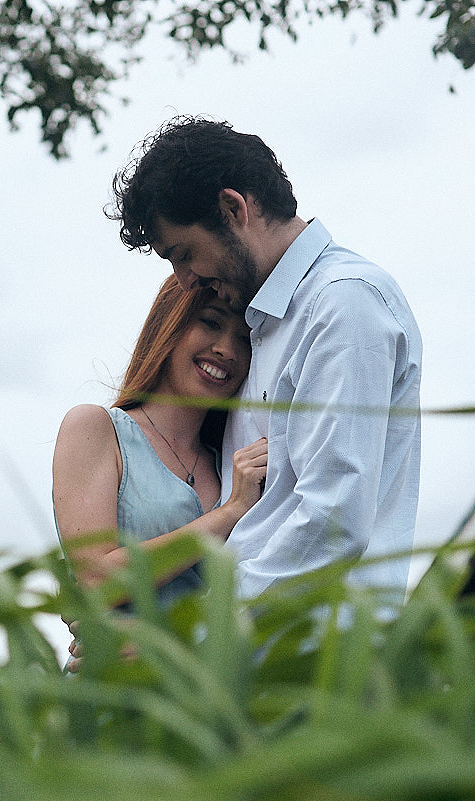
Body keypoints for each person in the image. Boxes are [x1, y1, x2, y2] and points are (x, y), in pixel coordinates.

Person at [107, 115, 422, 604]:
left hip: (313, 642)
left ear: (233, 209)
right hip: (251, 639)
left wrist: (201, 635)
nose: (184, 280)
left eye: (183, 253)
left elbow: (331, 524)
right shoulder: (262, 327)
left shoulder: (342, 303)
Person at [52, 275, 268, 613]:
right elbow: (97, 581)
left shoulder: (233, 462)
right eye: (210, 323)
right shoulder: (97, 429)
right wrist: (230, 512)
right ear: (169, 326)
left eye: (244, 339)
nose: (227, 350)